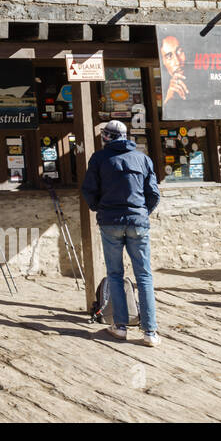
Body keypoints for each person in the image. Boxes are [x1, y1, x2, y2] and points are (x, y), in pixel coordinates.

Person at [81, 119, 162, 347]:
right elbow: (154, 194)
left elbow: (89, 191)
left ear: (107, 136)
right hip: (138, 222)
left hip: (110, 222)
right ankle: (150, 331)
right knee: (144, 275)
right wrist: (142, 212)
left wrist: (100, 209)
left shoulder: (99, 159)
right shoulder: (143, 159)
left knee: (115, 274)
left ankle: (120, 326)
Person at [160, 35, 188, 105]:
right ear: (163, 62)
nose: (177, 62)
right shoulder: (164, 89)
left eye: (179, 51)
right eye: (169, 56)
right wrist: (168, 99)